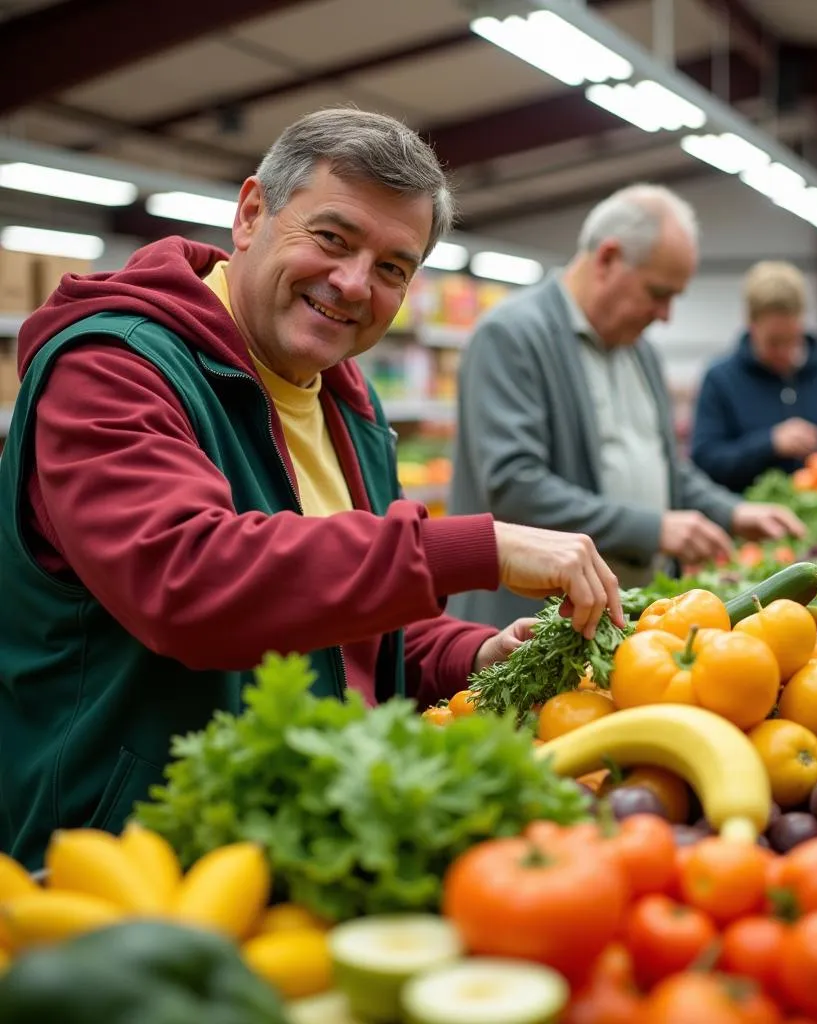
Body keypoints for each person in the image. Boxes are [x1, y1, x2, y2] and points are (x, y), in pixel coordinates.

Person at [0, 107, 624, 868]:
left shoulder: (346, 403)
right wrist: (475, 547)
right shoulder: (112, 368)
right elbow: (187, 579)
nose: (354, 283)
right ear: (252, 212)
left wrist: (479, 651)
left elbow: (354, 629)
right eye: (332, 239)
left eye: (393, 267)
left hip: (291, 839)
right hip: (122, 858)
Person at [446, 184, 803, 629]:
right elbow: (515, 485)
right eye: (658, 293)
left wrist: (731, 512)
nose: (666, 314)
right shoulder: (511, 336)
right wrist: (653, 529)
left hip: (624, 617)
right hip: (528, 624)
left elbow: (666, 468)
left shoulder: (641, 351)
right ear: (608, 258)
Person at [690, 260, 817, 493]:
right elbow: (705, 461)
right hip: (749, 521)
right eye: (773, 342)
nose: (784, 352)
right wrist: (769, 443)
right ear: (751, 323)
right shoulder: (721, 379)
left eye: (791, 339)